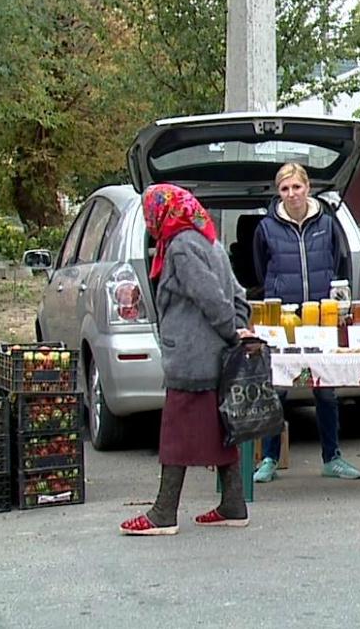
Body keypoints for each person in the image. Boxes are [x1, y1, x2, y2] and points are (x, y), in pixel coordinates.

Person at [121, 184, 253, 535]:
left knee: (175, 436)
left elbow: (211, 297)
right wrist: (237, 330)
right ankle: (233, 504)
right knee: (221, 431)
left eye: (150, 213)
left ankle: (164, 512)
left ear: (163, 213)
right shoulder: (209, 240)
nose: (149, 221)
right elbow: (237, 293)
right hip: (213, 358)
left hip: (191, 359)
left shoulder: (180, 246)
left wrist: (231, 332)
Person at [252, 163, 360, 483]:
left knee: (325, 389)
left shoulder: (327, 223)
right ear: (278, 192)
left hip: (321, 316)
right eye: (285, 189)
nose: (292, 194)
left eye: (296, 187)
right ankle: (269, 459)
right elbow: (259, 268)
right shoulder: (266, 228)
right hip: (282, 318)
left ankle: (332, 458)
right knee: (278, 388)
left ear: (307, 188)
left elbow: (336, 262)